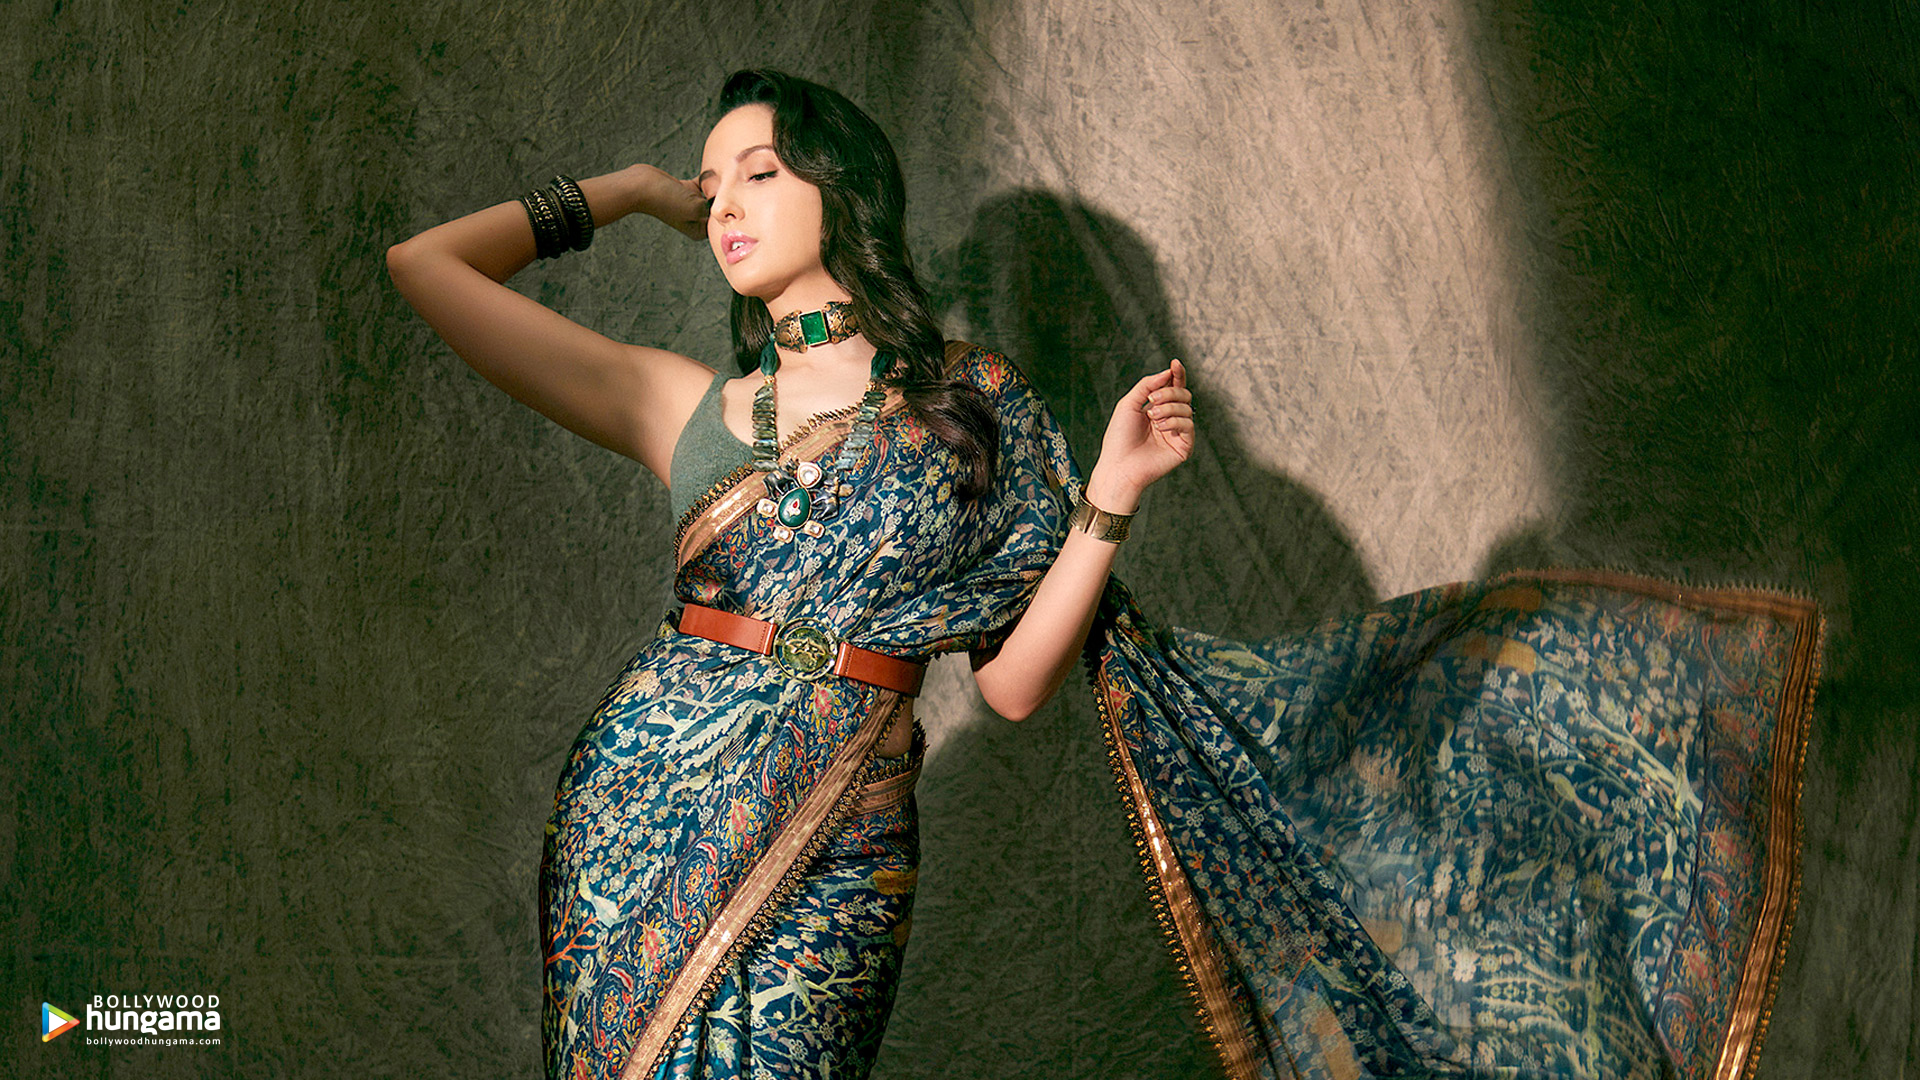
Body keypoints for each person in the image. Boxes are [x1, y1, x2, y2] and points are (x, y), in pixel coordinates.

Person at [390, 70, 1821, 1080]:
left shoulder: (970, 407)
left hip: (840, 829)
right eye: (709, 187)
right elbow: (428, 266)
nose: (724, 207)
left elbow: (1015, 687)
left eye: (758, 172)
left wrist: (1110, 498)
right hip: (637, 808)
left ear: (845, 188)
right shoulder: (683, 404)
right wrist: (627, 195)